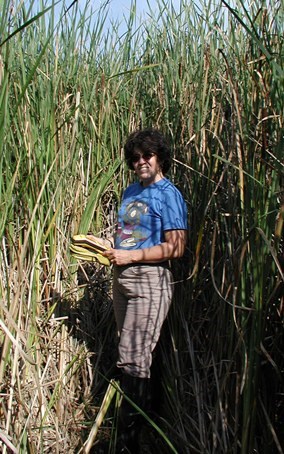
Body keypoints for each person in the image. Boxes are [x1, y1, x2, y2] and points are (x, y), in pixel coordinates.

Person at [103, 128, 188, 453]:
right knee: (131, 357)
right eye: (135, 157)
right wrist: (108, 249)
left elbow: (176, 247)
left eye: (147, 155)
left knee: (134, 358)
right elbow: (130, 238)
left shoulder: (169, 194)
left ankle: (127, 442)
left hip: (150, 281)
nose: (141, 161)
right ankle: (147, 427)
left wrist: (133, 256)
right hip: (123, 278)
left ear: (160, 158)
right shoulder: (129, 193)